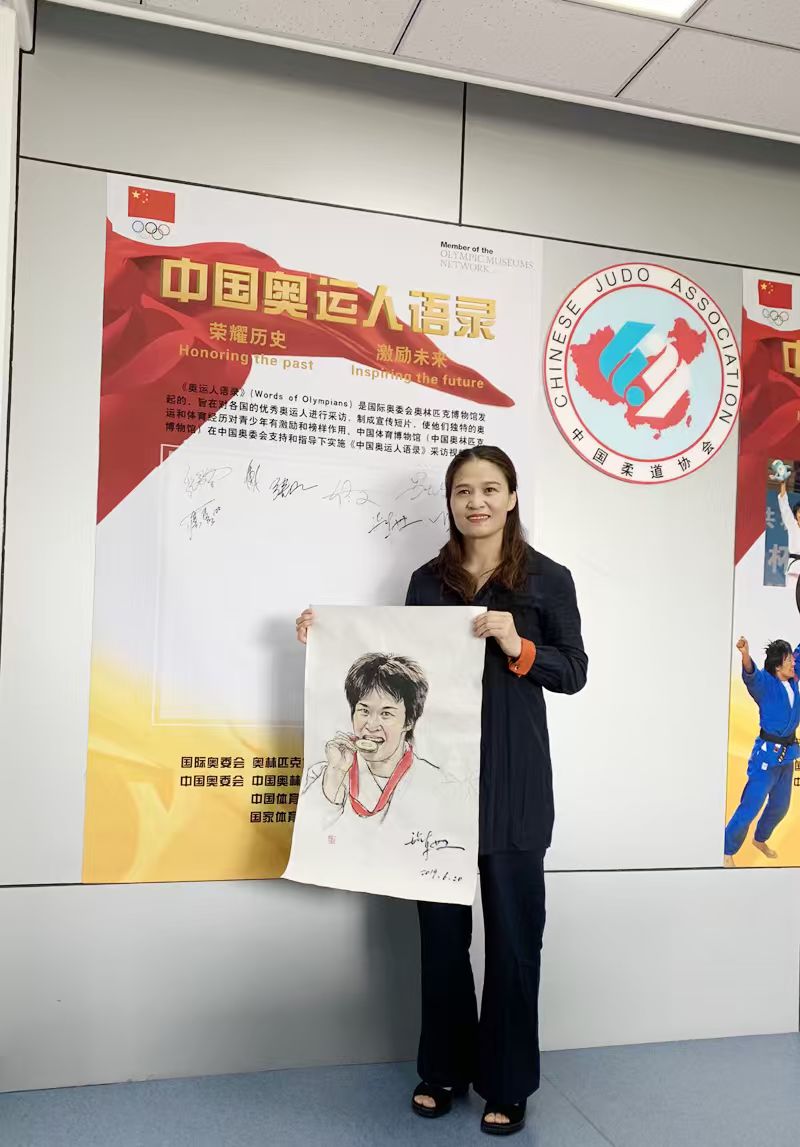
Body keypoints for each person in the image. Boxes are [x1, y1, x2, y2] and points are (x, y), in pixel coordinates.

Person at [297, 444, 587, 1137]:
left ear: (511, 498)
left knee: (515, 941)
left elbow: (574, 671)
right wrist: (327, 639)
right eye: (463, 491)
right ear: (450, 501)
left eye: (489, 489)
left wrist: (518, 645)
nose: (476, 502)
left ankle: (507, 1083)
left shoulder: (548, 579)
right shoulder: (428, 581)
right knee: (441, 939)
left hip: (514, 783)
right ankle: (444, 1069)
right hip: (438, 786)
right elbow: (398, 667)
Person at [302, 652, 450, 826]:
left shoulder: (437, 783)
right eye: (364, 711)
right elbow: (309, 833)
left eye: (386, 714)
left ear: (409, 721)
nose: (371, 725)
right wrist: (336, 773)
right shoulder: (323, 774)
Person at [724, 636, 800, 867]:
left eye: (792, 659)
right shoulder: (766, 685)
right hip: (765, 758)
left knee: (780, 807)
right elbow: (751, 675)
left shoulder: (793, 677)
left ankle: (760, 839)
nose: (793, 663)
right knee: (750, 807)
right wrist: (745, 655)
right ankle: (727, 850)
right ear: (777, 666)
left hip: (787, 756)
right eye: (788, 660)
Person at [777, 475, 800, 613]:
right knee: (791, 602)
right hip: (794, 569)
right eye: (799, 512)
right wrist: (783, 483)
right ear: (796, 515)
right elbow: (784, 507)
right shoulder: (792, 526)